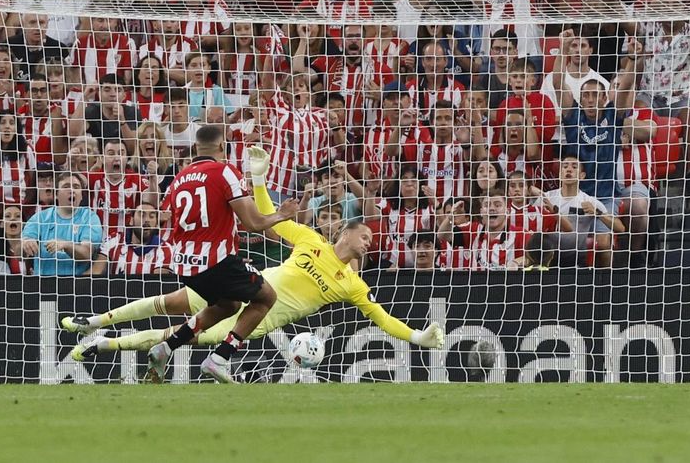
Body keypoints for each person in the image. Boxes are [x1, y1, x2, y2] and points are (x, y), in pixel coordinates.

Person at [63, 145, 444, 365]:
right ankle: (94, 320)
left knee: (174, 335)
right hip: (246, 284)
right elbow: (268, 220)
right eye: (365, 236)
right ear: (346, 231)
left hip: (255, 319)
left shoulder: (353, 285)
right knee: (168, 301)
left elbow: (382, 318)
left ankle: (103, 344)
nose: (369, 243)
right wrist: (259, 179)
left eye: (372, 241)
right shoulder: (311, 239)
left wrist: (416, 336)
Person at [98, 123, 297, 382]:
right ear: (221, 147)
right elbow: (253, 223)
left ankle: (164, 348)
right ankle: (220, 358)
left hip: (185, 265)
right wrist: (282, 214)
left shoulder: (179, 178)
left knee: (228, 305)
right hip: (217, 260)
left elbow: (171, 216)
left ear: (195, 147)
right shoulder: (226, 172)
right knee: (266, 297)